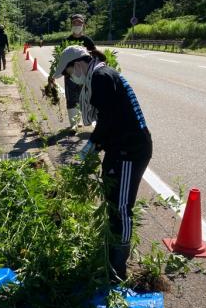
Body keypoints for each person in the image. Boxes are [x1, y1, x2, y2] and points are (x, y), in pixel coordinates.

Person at [53, 45, 153, 283]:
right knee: (112, 201)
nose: (70, 78)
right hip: (118, 147)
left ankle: (118, 266)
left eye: (68, 73)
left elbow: (108, 120)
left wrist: (91, 147)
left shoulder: (101, 77)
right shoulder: (99, 75)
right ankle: (110, 253)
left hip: (130, 150)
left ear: (77, 64)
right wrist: (94, 147)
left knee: (120, 207)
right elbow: (109, 121)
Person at [63, 14, 96, 129]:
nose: (77, 25)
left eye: (79, 23)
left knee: (84, 98)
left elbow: (94, 56)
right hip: (70, 74)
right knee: (71, 98)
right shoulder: (67, 41)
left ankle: (80, 119)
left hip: (85, 75)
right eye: (75, 23)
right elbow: (60, 58)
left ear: (83, 25)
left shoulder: (87, 40)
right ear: (71, 25)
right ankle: (73, 124)